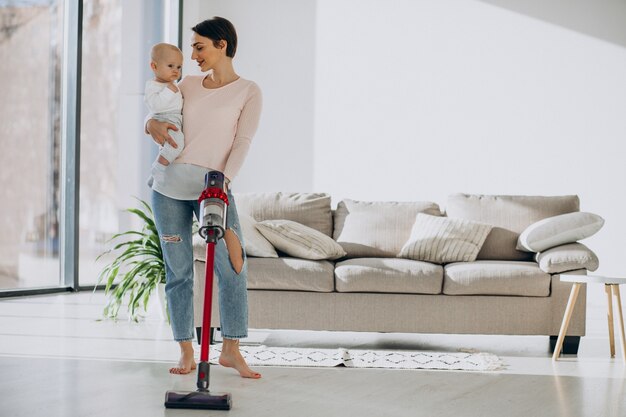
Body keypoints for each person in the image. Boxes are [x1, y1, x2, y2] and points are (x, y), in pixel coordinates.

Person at [145, 16, 262, 379]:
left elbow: (242, 142)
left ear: (221, 45)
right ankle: (185, 351)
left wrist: (224, 182)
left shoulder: (248, 91)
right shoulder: (187, 85)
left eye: (199, 47)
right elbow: (158, 115)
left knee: (233, 263)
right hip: (167, 189)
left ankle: (230, 349)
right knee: (179, 272)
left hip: (213, 189)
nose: (192, 56)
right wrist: (150, 126)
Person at [144, 43, 184, 187]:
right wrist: (169, 91)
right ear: (154, 66)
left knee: (170, 149)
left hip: (174, 118)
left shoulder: (173, 85)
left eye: (179, 67)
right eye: (171, 66)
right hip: (165, 118)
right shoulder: (153, 85)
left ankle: (153, 178)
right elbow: (155, 106)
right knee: (176, 145)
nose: (175, 71)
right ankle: (157, 168)